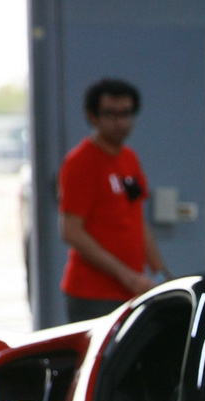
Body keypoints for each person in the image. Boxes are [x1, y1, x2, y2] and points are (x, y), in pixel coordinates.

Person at [59, 77, 168, 322]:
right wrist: (124, 274)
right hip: (93, 295)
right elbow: (71, 231)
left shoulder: (129, 159)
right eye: (111, 115)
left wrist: (161, 272)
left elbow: (137, 219)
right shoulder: (81, 163)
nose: (120, 123)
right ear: (93, 117)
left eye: (126, 114)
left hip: (131, 291)